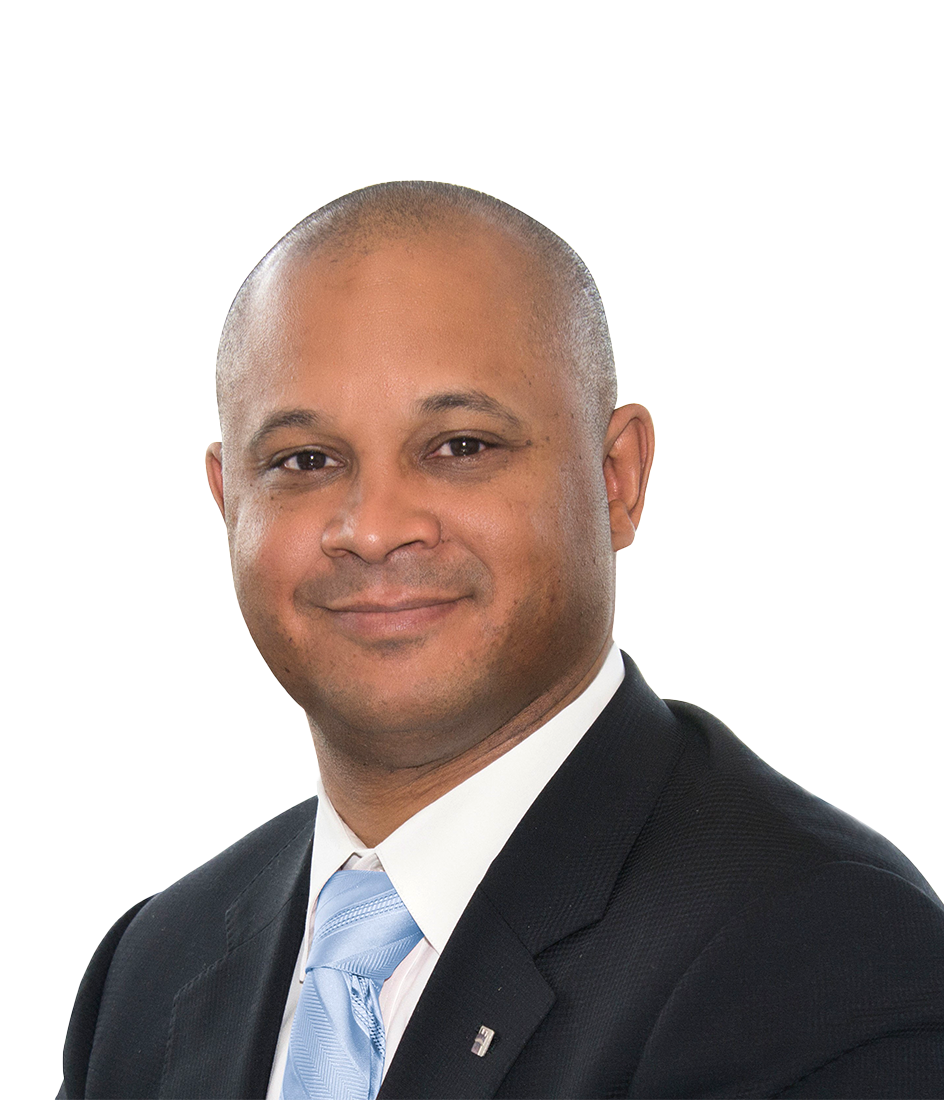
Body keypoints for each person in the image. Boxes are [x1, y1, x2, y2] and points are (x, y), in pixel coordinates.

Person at [57, 181, 944, 1100]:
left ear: (617, 479)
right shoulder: (151, 972)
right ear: (228, 501)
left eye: (460, 446)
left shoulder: (821, 956)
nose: (374, 528)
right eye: (305, 461)